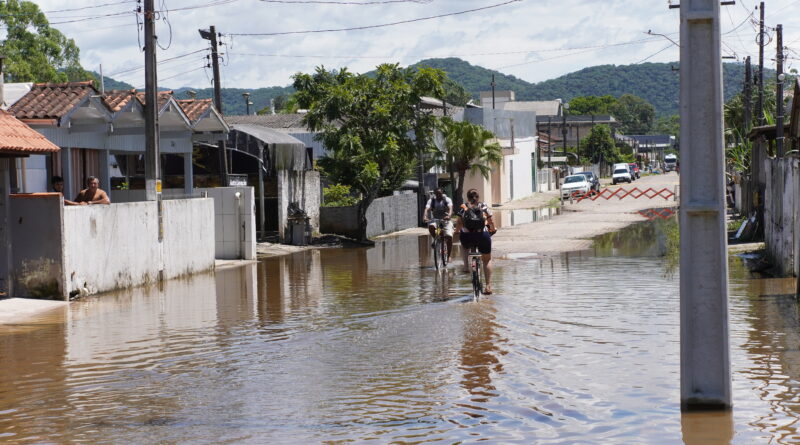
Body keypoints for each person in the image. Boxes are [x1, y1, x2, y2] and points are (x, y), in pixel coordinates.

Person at [455, 189, 497, 294]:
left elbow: (459, 221)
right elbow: (490, 220)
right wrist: (493, 228)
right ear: (478, 197)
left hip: (467, 236)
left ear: (467, 198)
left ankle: (465, 266)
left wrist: (456, 231)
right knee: (487, 259)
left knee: (464, 246)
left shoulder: (463, 206)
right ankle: (488, 286)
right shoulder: (483, 206)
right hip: (482, 235)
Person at [422, 188, 454, 261]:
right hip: (436, 219)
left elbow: (450, 208)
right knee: (431, 226)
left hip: (446, 220)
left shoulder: (447, 199)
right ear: (435, 194)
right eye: (437, 194)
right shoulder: (432, 201)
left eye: (440, 193)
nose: (438, 195)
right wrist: (424, 216)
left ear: (442, 193)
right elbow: (426, 209)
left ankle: (448, 255)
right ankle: (437, 239)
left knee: (449, 236)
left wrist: (449, 215)